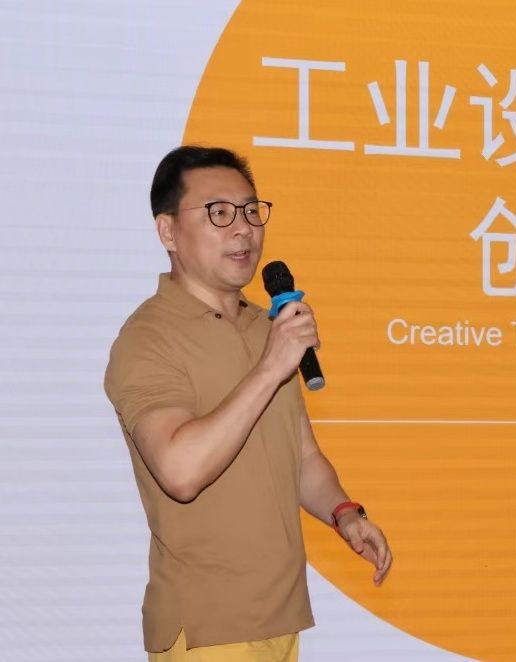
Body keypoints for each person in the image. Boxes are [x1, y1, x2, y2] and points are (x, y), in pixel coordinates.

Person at [104, 145, 392, 661]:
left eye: (251, 211)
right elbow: (180, 472)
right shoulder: (147, 339)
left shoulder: (269, 328)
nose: (243, 229)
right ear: (168, 231)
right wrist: (270, 367)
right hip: (209, 628)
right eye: (218, 213)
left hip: (281, 618)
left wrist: (345, 513)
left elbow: (302, 458)